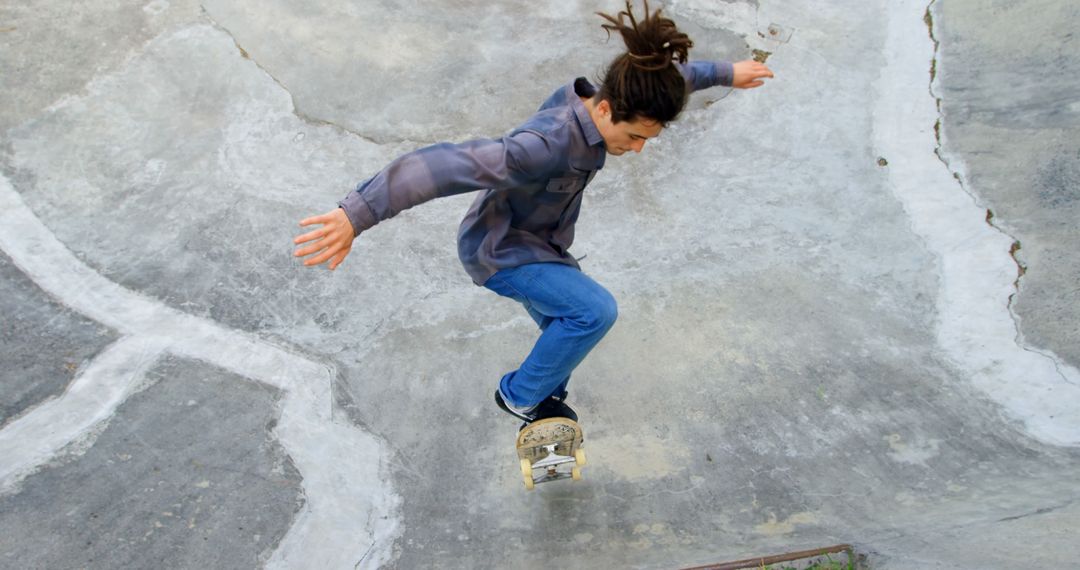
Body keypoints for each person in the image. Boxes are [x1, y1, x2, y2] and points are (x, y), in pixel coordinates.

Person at [293, 1, 773, 427]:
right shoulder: (540, 148)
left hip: (542, 244)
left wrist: (729, 72)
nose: (638, 149)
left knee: (562, 333)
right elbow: (440, 166)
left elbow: (676, 78)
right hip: (501, 252)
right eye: (634, 138)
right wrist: (357, 213)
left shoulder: (628, 93)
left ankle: (545, 401)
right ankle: (519, 396)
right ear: (605, 110)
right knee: (592, 312)